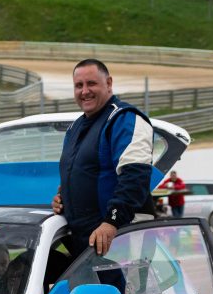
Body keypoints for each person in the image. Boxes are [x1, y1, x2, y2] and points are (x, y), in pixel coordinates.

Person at [50, 59, 154, 257]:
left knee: (122, 290)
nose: (85, 91)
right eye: (78, 85)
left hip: (122, 240)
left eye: (92, 83)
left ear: (109, 83)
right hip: (86, 245)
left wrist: (112, 222)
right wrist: (62, 200)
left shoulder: (125, 119)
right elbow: (83, 176)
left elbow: (135, 177)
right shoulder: (74, 128)